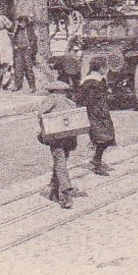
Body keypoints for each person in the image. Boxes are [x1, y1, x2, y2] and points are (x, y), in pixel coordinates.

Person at [39, 71, 81, 208]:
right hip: (69, 138)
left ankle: (65, 193)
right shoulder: (70, 102)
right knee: (60, 162)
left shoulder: (52, 100)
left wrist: (43, 131)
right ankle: (53, 189)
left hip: (56, 137)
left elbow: (40, 114)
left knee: (60, 164)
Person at [77, 55, 116, 176]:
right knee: (103, 138)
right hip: (96, 113)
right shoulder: (94, 81)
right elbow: (90, 99)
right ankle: (97, 163)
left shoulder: (92, 79)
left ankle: (97, 160)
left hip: (99, 112)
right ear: (101, 68)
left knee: (104, 137)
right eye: (105, 67)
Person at [12, 15, 39, 93]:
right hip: (19, 51)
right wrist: (15, 46)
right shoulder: (17, 30)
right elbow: (14, 40)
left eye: (23, 22)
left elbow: (34, 40)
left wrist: (31, 47)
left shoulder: (30, 30)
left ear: (26, 22)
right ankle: (17, 85)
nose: (21, 24)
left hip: (27, 51)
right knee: (18, 68)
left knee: (29, 69)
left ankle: (32, 86)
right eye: (20, 22)